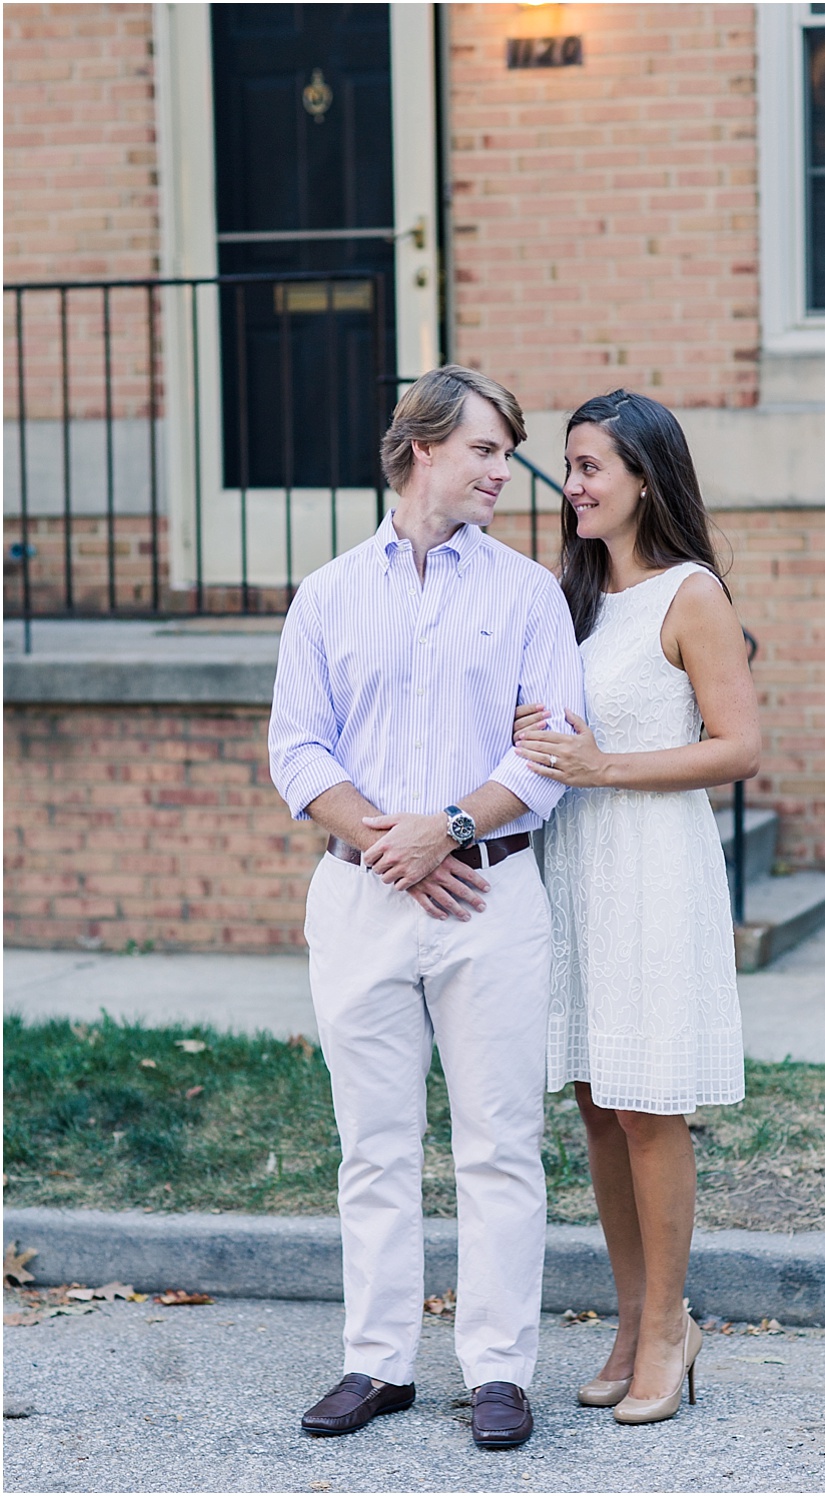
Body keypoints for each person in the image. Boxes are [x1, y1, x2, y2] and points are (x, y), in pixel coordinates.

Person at [268, 366, 584, 1449]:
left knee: (499, 1141)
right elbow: (298, 747)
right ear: (419, 450)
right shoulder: (329, 593)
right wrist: (385, 838)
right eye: (486, 449)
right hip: (360, 898)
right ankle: (377, 1362)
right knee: (374, 1143)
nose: (504, 470)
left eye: (506, 450)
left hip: (488, 892)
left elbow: (544, 753)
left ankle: (497, 1368)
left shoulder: (528, 593)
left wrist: (443, 824)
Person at [513, 390, 760, 1426]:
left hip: (652, 865)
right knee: (595, 1101)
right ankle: (628, 1317)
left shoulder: (688, 593)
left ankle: (670, 1324)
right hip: (572, 863)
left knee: (649, 1105)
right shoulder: (566, 597)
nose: (570, 484)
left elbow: (739, 745)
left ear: (644, 478)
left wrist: (603, 763)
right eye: (567, 466)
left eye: (587, 466)